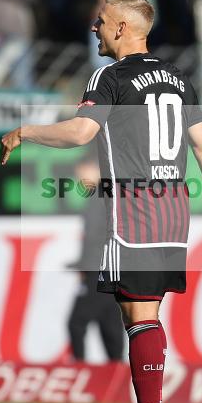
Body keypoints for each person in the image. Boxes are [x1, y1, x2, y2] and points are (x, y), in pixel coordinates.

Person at [0, 0, 202, 403]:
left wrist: (24, 131)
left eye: (101, 21)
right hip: (175, 207)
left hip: (134, 207)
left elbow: (80, 133)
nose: (95, 28)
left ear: (122, 29)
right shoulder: (177, 78)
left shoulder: (109, 77)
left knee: (139, 315)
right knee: (144, 312)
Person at [66, 153, 125, 363]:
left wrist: (84, 265)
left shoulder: (101, 195)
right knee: (109, 324)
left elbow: (94, 236)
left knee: (76, 322)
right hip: (113, 269)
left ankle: (79, 369)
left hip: (98, 270)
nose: (79, 177)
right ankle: (117, 375)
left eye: (82, 171)